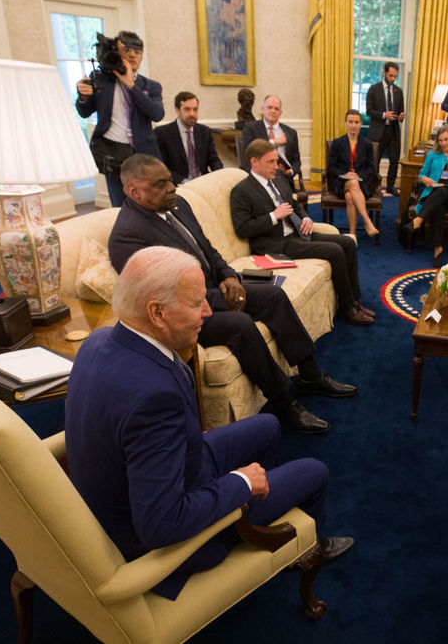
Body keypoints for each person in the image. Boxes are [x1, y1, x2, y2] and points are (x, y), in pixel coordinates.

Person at [65, 246, 353, 601]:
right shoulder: (153, 398)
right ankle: (304, 547)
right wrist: (241, 483)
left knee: (267, 425)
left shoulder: (97, 341)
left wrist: (181, 443)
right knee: (315, 471)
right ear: (157, 312)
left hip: (169, 472)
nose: (208, 310)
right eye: (196, 302)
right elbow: (160, 525)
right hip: (164, 539)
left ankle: (264, 526)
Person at [109, 154, 355, 435]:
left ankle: (311, 375)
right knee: (240, 325)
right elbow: (164, 297)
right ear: (134, 191)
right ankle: (284, 403)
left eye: (170, 180)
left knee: (273, 296)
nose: (172, 188)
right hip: (184, 315)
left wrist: (228, 276)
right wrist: (218, 298)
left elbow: (207, 248)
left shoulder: (178, 205)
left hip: (213, 289)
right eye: (160, 185)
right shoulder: (127, 235)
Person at [232, 139, 374, 327]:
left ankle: (355, 300)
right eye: (270, 162)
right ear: (254, 162)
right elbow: (242, 229)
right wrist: (274, 216)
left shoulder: (278, 179)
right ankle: (348, 308)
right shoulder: (241, 191)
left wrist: (306, 218)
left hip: (297, 233)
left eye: (276, 161)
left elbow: (295, 205)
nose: (276, 166)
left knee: (347, 242)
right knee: (335, 251)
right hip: (276, 244)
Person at [75, 30, 164, 207]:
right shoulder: (100, 80)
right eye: (126, 50)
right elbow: (85, 112)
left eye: (137, 51)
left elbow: (157, 114)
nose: (132, 54)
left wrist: (131, 85)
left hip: (143, 153)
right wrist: (83, 96)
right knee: (120, 205)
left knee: (149, 203)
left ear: (141, 56)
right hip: (112, 153)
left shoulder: (151, 86)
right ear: (117, 52)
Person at [402, 125, 448, 267]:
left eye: (446, 139)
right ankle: (438, 249)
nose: (443, 143)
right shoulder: (432, 155)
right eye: (440, 140)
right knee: (438, 207)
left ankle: (418, 221)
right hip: (434, 195)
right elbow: (422, 174)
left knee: (443, 191)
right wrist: (424, 179)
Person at [326, 109, 380, 239]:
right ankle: (367, 221)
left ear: (361, 124)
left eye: (356, 122)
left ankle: (352, 234)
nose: (353, 125)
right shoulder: (337, 143)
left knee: (350, 197)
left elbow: (371, 168)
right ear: (346, 123)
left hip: (362, 183)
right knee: (352, 183)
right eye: (350, 122)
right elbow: (331, 167)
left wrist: (358, 176)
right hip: (341, 183)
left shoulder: (367, 144)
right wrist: (346, 174)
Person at [155, 91, 223, 185]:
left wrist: (220, 176)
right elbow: (162, 167)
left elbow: (214, 160)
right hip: (179, 185)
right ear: (177, 110)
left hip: (203, 182)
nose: (192, 114)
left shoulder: (205, 132)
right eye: (187, 109)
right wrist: (184, 182)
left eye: (195, 109)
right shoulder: (162, 133)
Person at [366, 62, 406, 195]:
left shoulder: (399, 91)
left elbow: (401, 112)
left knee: (394, 161)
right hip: (378, 131)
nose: (393, 79)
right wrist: (384, 115)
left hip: (394, 131)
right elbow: (369, 111)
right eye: (390, 76)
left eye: (395, 76)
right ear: (384, 73)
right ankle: (375, 187)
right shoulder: (373, 89)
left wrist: (401, 116)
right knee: (375, 161)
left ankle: (390, 186)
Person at [241, 95, 302, 180]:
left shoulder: (291, 133)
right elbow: (250, 151)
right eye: (269, 107)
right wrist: (274, 142)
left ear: (280, 113)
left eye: (276, 109)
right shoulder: (250, 128)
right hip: (259, 176)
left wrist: (291, 171)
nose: (273, 111)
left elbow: (296, 161)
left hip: (284, 178)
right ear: (263, 109)